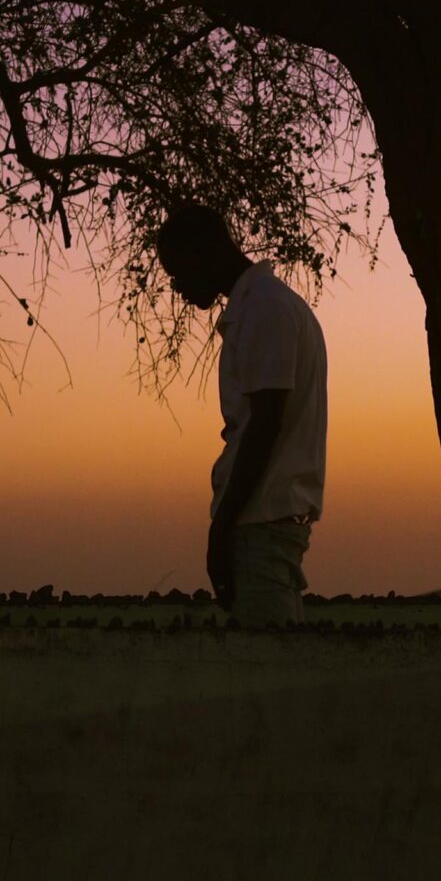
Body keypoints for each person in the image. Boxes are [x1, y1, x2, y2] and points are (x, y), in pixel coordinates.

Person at [155, 205, 327, 626]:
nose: (177, 286)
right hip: (263, 519)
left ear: (205, 253)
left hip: (262, 520)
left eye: (178, 272)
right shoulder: (264, 306)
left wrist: (222, 527)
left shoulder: (265, 310)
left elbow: (264, 426)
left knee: (267, 656)